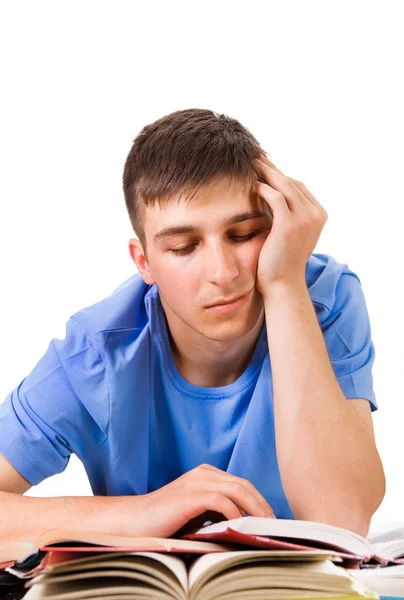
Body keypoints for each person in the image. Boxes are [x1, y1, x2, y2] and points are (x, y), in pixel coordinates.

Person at [0, 109, 385, 543]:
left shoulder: (321, 299)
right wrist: (146, 511)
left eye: (243, 234)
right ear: (144, 261)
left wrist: (282, 283)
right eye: (184, 247)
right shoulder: (96, 352)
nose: (222, 272)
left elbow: (341, 518)